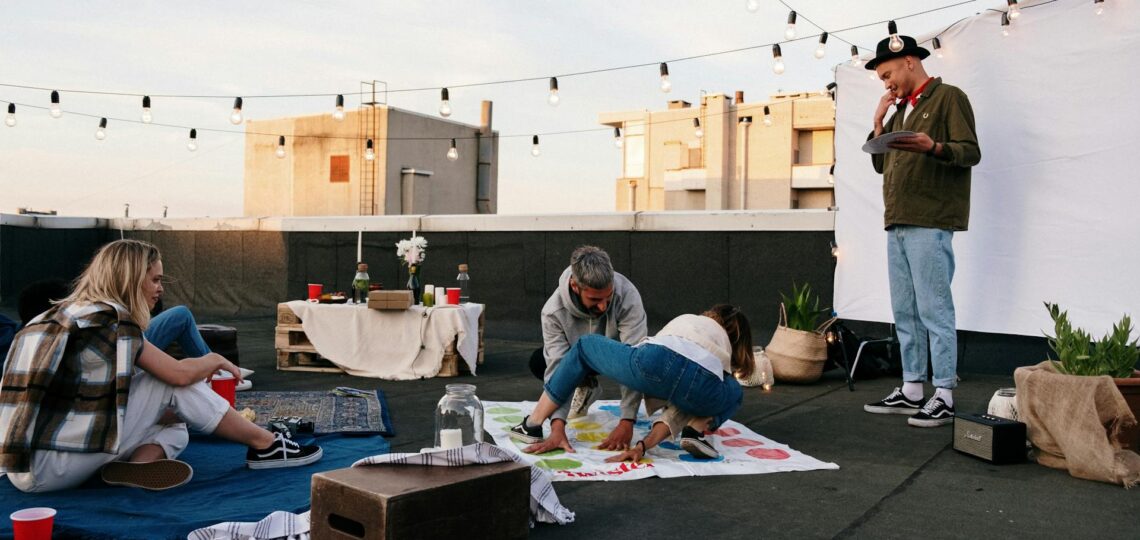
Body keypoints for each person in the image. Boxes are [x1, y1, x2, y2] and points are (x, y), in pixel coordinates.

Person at [0, 239, 322, 493]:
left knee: (174, 425)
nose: (160, 288)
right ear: (130, 280)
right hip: (57, 465)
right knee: (171, 381)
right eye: (154, 279)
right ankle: (266, 444)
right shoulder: (111, 320)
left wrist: (163, 411)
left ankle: (135, 468)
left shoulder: (45, 319)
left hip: (20, 466)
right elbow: (178, 375)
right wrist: (214, 359)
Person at [861, 34, 981, 427]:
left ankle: (944, 393)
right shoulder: (899, 113)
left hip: (930, 220)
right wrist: (878, 122)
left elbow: (970, 151)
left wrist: (934, 147)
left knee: (934, 308)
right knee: (905, 310)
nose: (886, 83)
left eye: (888, 74)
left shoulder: (949, 98)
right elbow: (880, 164)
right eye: (882, 79)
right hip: (897, 220)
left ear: (909, 61)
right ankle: (912, 388)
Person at [510, 304, 753, 461]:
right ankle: (696, 430)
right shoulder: (724, 350)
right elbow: (680, 408)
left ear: (711, 315)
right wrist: (643, 446)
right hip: (702, 383)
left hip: (656, 360)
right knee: (733, 391)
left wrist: (637, 437)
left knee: (585, 346)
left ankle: (532, 424)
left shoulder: (692, 319)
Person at [527, 246, 648, 454]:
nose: (602, 306)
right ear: (575, 286)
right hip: (577, 360)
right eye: (595, 299)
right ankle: (586, 384)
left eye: (607, 297)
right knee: (540, 361)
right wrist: (557, 427)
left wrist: (627, 420)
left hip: (616, 357)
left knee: (650, 365)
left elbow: (635, 360)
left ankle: (587, 381)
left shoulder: (627, 295)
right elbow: (557, 370)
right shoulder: (552, 311)